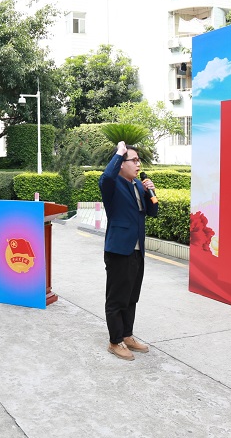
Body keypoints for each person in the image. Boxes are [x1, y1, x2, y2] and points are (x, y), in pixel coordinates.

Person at [99, 141, 159, 361]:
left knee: (131, 296)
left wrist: (151, 192)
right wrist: (119, 153)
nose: (138, 164)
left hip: (137, 249)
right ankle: (115, 341)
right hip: (119, 249)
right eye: (133, 160)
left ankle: (127, 335)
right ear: (122, 164)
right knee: (116, 298)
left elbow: (152, 211)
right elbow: (105, 177)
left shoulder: (138, 186)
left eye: (138, 160)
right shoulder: (113, 184)